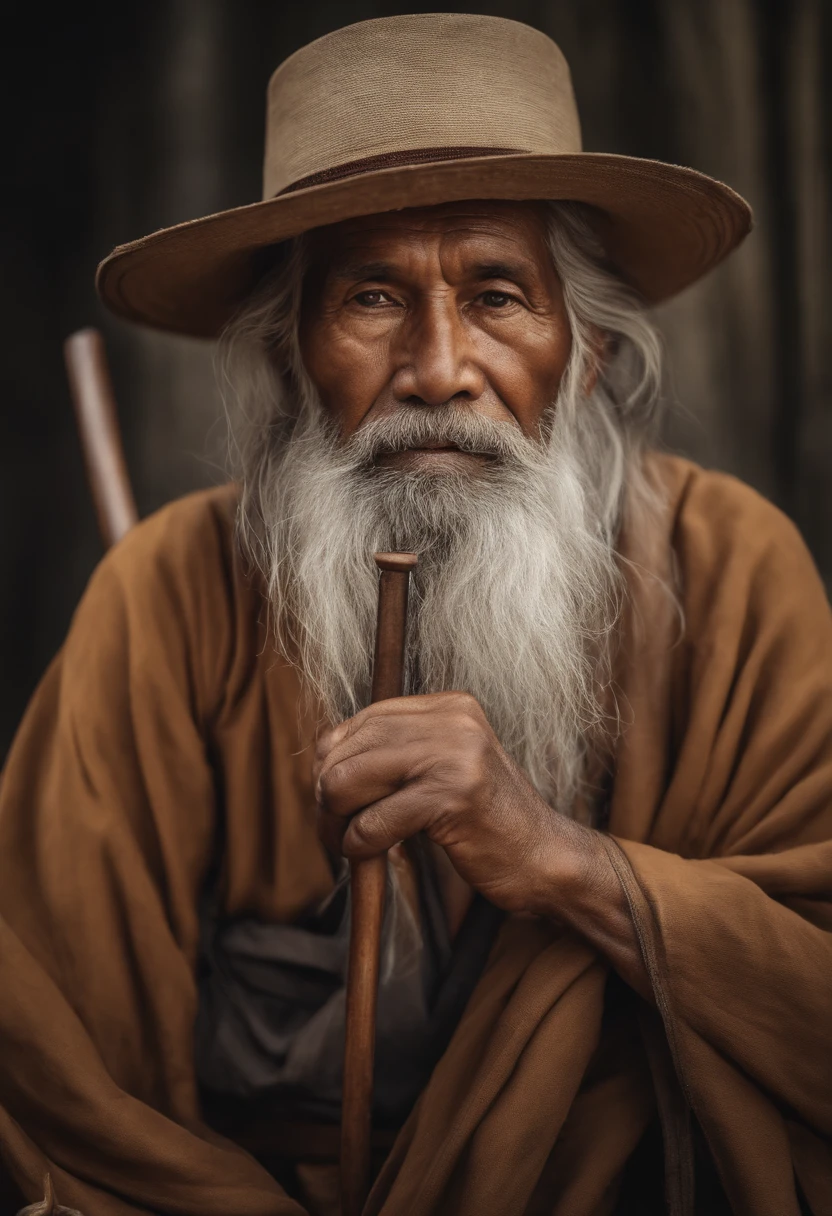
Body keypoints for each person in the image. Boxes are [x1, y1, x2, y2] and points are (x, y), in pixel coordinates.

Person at [1, 13, 830, 1216]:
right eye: (373, 298)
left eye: (498, 296)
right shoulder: (168, 601)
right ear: (293, 356)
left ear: (584, 351)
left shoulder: (730, 570)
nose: (438, 366)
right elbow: (55, 1066)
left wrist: (562, 861)